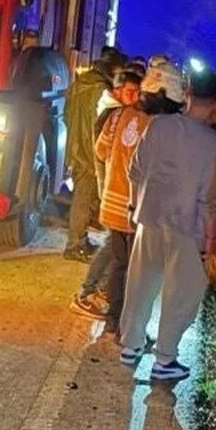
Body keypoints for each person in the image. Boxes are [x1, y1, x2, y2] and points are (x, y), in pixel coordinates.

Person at [118, 68, 216, 380]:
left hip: (148, 219)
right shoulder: (213, 143)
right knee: (182, 294)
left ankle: (130, 346)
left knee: (140, 285)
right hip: (186, 228)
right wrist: (210, 244)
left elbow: (134, 172)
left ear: (188, 93)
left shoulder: (158, 125)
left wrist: (132, 207)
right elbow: (211, 200)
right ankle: (165, 360)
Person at [69, 69, 144, 319]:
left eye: (138, 92)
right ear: (117, 91)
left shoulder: (119, 114)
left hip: (116, 198)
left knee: (115, 248)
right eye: (130, 92)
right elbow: (101, 154)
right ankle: (87, 292)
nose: (135, 97)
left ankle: (99, 291)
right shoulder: (114, 116)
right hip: (115, 198)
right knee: (113, 247)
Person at [63, 46, 126, 261]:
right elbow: (98, 123)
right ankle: (74, 245)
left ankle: (78, 240)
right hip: (90, 151)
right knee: (84, 197)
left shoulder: (80, 82)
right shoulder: (100, 90)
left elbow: (66, 113)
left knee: (82, 196)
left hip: (76, 146)